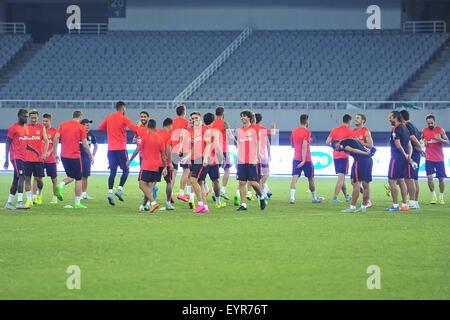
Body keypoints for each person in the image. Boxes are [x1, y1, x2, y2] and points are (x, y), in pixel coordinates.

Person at [98, 101, 137, 205]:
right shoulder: (124, 118)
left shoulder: (109, 117)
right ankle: (119, 190)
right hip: (120, 148)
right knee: (126, 169)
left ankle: (110, 193)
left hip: (110, 149)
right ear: (123, 109)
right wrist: (140, 128)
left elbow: (100, 128)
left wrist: (111, 129)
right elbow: (133, 128)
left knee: (113, 172)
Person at [53, 110, 94, 209]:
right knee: (79, 179)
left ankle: (61, 185)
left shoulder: (63, 125)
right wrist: (91, 156)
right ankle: (77, 203)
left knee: (71, 177)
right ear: (80, 117)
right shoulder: (81, 127)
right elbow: (84, 144)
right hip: (75, 156)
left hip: (63, 156)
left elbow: (55, 138)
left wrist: (55, 153)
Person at [128, 119, 167, 213]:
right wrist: (165, 167)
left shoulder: (145, 136)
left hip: (146, 165)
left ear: (148, 126)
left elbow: (137, 149)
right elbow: (163, 155)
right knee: (149, 188)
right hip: (156, 166)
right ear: (155, 127)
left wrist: (130, 160)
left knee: (141, 185)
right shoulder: (160, 138)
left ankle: (153, 203)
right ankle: (143, 206)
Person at [332, 138, 375, 213]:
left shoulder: (344, 144)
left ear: (338, 142)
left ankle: (352, 207)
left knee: (356, 183)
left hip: (360, 161)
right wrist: (367, 153)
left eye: (336, 147)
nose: (338, 150)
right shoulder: (354, 140)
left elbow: (352, 150)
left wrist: (365, 153)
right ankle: (363, 207)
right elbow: (361, 147)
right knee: (366, 184)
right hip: (369, 160)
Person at [3, 109, 35, 210]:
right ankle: (19, 202)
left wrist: (34, 151)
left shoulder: (26, 128)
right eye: (24, 116)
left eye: (26, 116)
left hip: (22, 158)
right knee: (22, 176)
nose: (26, 118)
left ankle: (8, 203)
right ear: (19, 116)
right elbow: (8, 143)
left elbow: (25, 144)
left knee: (16, 179)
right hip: (15, 157)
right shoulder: (13, 128)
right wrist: (7, 159)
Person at [235, 110, 266, 211]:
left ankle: (261, 196)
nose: (242, 118)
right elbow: (239, 146)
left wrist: (256, 157)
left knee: (253, 182)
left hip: (252, 159)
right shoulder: (239, 130)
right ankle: (243, 204)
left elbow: (258, 144)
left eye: (244, 116)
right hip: (241, 160)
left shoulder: (255, 129)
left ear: (249, 118)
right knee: (241, 182)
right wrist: (237, 160)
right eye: (241, 116)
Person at [289, 114, 324, 204]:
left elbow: (292, 145)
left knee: (294, 177)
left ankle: (292, 198)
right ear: (307, 121)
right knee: (311, 179)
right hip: (307, 159)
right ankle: (314, 198)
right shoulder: (307, 132)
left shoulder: (294, 131)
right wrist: (304, 160)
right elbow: (304, 146)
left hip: (296, 158)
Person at [384, 111, 414, 212]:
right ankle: (404, 205)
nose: (389, 119)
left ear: (395, 117)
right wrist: (408, 156)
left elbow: (397, 144)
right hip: (404, 159)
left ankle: (395, 205)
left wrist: (405, 155)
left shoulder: (395, 128)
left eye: (390, 117)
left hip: (396, 158)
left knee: (392, 180)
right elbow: (409, 145)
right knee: (401, 180)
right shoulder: (405, 128)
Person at [181, 112, 210, 213]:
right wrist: (187, 157)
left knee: (193, 180)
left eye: (196, 118)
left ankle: (201, 205)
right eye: (192, 118)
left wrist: (206, 158)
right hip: (195, 159)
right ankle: (205, 207)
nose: (194, 120)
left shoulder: (204, 129)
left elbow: (208, 144)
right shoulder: (194, 132)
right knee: (200, 183)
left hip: (201, 158)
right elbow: (194, 148)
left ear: (200, 118)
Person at [326, 114, 353, 204]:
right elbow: (352, 144)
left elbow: (327, 142)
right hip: (344, 156)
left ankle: (347, 196)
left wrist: (334, 147)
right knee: (341, 178)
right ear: (349, 121)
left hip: (335, 156)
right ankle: (335, 197)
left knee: (342, 178)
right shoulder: (349, 132)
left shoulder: (335, 130)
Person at [24, 109, 49, 207]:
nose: (34, 119)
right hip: (27, 158)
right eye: (32, 118)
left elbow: (46, 141)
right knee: (27, 179)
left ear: (38, 117)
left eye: (35, 118)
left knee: (39, 179)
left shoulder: (41, 128)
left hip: (38, 159)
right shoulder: (25, 127)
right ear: (29, 117)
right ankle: (29, 200)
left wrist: (45, 153)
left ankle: (39, 194)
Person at [422, 114, 448, 204]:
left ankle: (441, 197)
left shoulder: (440, 130)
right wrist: (423, 143)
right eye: (428, 123)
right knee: (429, 178)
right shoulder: (424, 130)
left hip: (439, 159)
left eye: (431, 123)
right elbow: (422, 141)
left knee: (441, 179)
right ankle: (433, 196)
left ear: (434, 122)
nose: (430, 125)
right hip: (429, 158)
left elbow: (447, 141)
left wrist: (440, 139)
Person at [400, 110, 423, 209]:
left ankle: (412, 202)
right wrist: (420, 147)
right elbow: (420, 138)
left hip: (412, 154)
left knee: (409, 178)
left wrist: (419, 147)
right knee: (414, 179)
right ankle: (416, 202)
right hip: (416, 154)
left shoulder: (406, 126)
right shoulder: (413, 126)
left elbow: (412, 137)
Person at [202, 113, 226, 209]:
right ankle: (218, 202)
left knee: (200, 181)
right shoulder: (214, 132)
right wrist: (222, 158)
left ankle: (202, 203)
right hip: (212, 160)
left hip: (201, 159)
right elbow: (216, 145)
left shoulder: (201, 130)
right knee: (215, 181)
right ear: (213, 121)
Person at [211, 106, 234, 200]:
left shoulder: (212, 123)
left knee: (215, 171)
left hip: (214, 150)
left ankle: (213, 191)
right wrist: (236, 142)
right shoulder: (225, 123)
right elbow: (230, 136)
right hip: (223, 149)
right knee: (227, 169)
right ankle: (223, 190)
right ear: (223, 113)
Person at [353, 113, 374, 208]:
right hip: (356, 159)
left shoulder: (366, 131)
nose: (356, 119)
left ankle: (366, 202)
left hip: (365, 159)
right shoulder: (353, 131)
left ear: (363, 121)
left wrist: (359, 142)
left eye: (358, 118)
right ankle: (365, 199)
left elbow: (370, 145)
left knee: (365, 183)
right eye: (355, 118)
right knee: (354, 182)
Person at [155, 118, 175, 210]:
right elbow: (168, 150)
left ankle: (147, 202)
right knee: (169, 182)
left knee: (152, 183)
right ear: (170, 125)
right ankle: (168, 203)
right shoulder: (169, 135)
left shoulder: (157, 133)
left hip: (155, 162)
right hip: (165, 163)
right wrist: (170, 162)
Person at [41, 113, 59, 204]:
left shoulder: (54, 131)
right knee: (38, 178)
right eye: (43, 121)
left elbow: (55, 144)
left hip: (51, 159)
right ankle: (37, 196)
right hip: (40, 159)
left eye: (46, 121)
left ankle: (54, 197)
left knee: (54, 179)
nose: (44, 122)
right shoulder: (40, 130)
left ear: (50, 121)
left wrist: (49, 152)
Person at [255, 113, 272, 199]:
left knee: (258, 177)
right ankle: (261, 193)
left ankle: (264, 191)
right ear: (261, 120)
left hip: (254, 157)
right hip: (262, 156)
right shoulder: (263, 129)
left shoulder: (251, 129)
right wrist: (269, 154)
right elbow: (268, 142)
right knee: (265, 174)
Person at [80, 119, 98, 200]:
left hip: (87, 157)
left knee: (85, 176)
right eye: (87, 125)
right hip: (78, 157)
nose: (88, 126)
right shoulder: (78, 134)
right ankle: (78, 194)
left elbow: (96, 145)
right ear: (82, 126)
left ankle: (84, 194)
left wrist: (92, 155)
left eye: (89, 125)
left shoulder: (91, 135)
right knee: (78, 176)